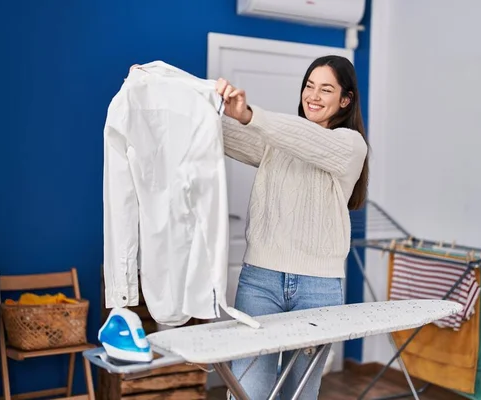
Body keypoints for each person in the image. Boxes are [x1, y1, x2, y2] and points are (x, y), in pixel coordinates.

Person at [131, 55, 369, 399]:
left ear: (345, 100)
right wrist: (157, 90)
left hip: (319, 290)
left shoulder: (349, 146)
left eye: (326, 89)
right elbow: (206, 129)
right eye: (309, 86)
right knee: (247, 393)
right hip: (260, 283)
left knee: (298, 395)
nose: (313, 95)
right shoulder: (274, 140)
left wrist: (248, 115)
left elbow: (304, 139)